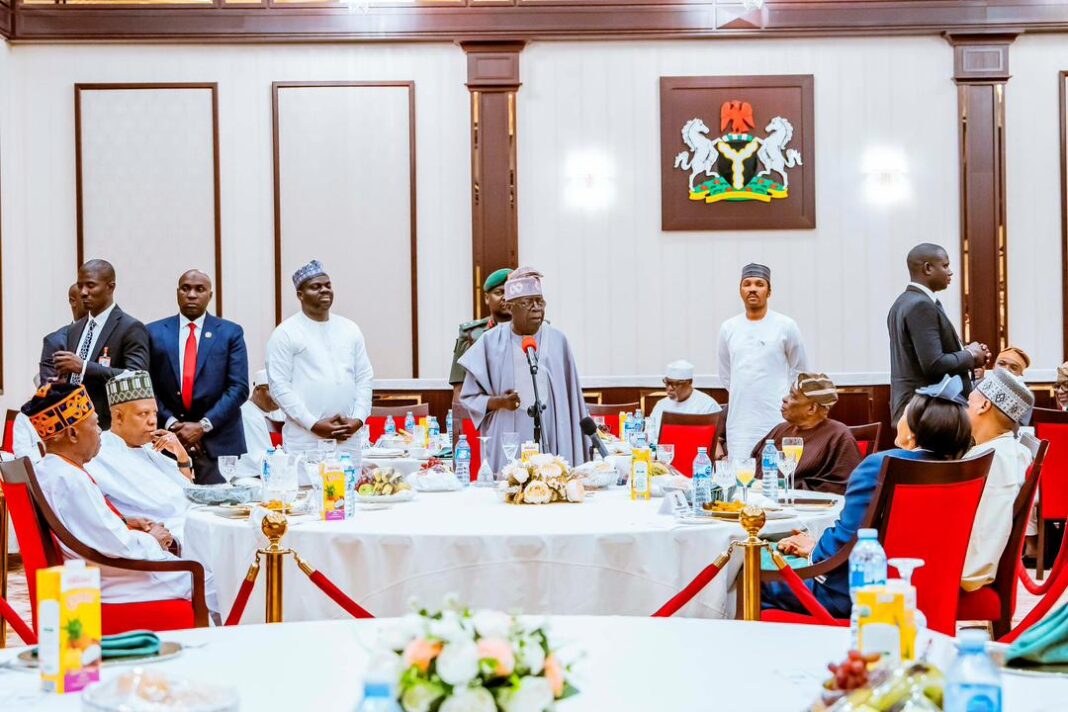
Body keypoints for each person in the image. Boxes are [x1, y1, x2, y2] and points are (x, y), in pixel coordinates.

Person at [762, 375, 973, 618]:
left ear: (912, 433)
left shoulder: (879, 466)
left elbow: (843, 544)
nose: (899, 418)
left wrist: (813, 550)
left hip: (852, 595)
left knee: (752, 577)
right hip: (928, 589)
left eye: (904, 413)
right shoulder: (961, 470)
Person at [22, 382, 218, 614]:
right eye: (94, 424)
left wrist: (126, 522)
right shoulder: (69, 479)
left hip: (103, 572)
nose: (99, 432)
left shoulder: (55, 469)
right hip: (116, 584)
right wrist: (153, 539)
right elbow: (118, 545)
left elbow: (92, 528)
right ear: (73, 433)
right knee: (213, 579)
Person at [459, 267, 589, 472]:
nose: (536, 308)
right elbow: (468, 397)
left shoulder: (558, 341)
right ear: (510, 308)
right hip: (507, 440)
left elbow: (572, 401)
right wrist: (499, 401)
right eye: (527, 303)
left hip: (553, 436)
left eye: (540, 302)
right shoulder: (489, 343)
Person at [146, 270, 249, 484]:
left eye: (199, 289)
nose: (191, 294)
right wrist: (174, 425)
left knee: (218, 511)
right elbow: (148, 386)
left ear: (210, 295)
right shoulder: (153, 332)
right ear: (177, 293)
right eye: (186, 288)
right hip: (167, 441)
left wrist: (202, 426)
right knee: (171, 510)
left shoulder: (230, 333)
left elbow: (239, 388)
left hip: (218, 442)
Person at [266, 260, 374, 454]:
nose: (324, 290)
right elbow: (279, 387)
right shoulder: (285, 333)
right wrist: (313, 424)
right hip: (306, 440)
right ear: (300, 295)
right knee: (308, 485)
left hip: (347, 439)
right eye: (316, 287)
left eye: (328, 285)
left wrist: (358, 419)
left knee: (348, 485)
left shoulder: (350, 329)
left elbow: (364, 378)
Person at [887, 243, 989, 424]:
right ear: (927, 268)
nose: (950, 272)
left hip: (917, 409)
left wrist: (968, 353)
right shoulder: (921, 305)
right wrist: (971, 355)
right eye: (945, 265)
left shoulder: (902, 302)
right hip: (926, 412)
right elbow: (933, 364)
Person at [86, 372, 194, 543]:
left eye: (154, 413)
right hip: (167, 540)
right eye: (143, 414)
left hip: (193, 522)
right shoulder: (100, 455)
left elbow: (187, 491)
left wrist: (181, 454)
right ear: (119, 416)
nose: (152, 421)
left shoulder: (150, 449)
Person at [717, 263, 807, 459]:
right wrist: (747, 393)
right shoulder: (728, 328)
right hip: (740, 423)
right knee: (741, 477)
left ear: (769, 291)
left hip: (776, 419)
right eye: (747, 284)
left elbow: (800, 370)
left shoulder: (786, 325)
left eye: (759, 284)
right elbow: (726, 376)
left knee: (775, 478)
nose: (752, 289)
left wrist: (783, 398)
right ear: (740, 290)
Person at [51, 259, 150, 429]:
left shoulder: (130, 328)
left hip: (108, 427)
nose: (83, 292)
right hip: (72, 424)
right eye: (80, 285)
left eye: (90, 285)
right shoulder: (75, 329)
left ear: (110, 287)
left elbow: (136, 377)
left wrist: (83, 367)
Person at [961, 368, 1034, 591]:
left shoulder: (995, 459)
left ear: (984, 406)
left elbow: (985, 535)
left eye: (968, 403)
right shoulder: (1004, 450)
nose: (964, 409)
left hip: (965, 571)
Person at [750, 373, 861, 495]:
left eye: (793, 395)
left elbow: (842, 487)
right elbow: (753, 468)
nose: (785, 398)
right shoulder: (780, 430)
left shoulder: (838, 436)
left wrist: (786, 487)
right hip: (764, 503)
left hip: (810, 509)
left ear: (811, 408)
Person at [449, 268, 512, 398]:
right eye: (499, 292)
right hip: (483, 412)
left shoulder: (534, 331)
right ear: (487, 298)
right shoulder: (470, 334)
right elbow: (460, 390)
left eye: (511, 292)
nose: (506, 297)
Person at [647, 359, 721, 443]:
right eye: (667, 383)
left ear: (689, 382)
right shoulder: (661, 405)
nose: (670, 388)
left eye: (676, 384)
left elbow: (715, 440)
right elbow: (650, 433)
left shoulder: (707, 405)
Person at [238, 369, 285, 477]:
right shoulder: (247, 414)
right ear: (257, 390)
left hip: (274, 471)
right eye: (272, 391)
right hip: (251, 477)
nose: (276, 397)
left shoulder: (278, 412)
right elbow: (258, 458)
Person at [39, 283, 88, 384]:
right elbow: (49, 390)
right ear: (73, 301)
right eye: (84, 297)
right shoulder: (55, 341)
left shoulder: (111, 335)